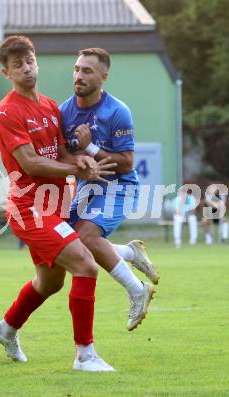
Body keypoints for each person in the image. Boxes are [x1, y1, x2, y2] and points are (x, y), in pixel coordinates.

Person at [0, 35, 117, 372]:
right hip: (29, 208)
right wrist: (77, 168)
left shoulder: (49, 106)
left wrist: (83, 160)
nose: (27, 68)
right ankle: (85, 354)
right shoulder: (6, 111)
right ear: (6, 72)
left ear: (37, 61)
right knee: (86, 265)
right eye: (18, 65)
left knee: (50, 283)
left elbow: (59, 153)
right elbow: (30, 163)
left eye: (29, 61)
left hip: (55, 205)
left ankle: (6, 329)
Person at [59, 48, 158, 332]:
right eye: (77, 69)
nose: (79, 76)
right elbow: (63, 154)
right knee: (70, 242)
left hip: (119, 186)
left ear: (103, 77)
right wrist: (80, 161)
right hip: (86, 188)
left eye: (87, 71)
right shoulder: (64, 111)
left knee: (86, 237)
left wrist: (90, 147)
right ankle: (129, 254)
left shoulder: (117, 111)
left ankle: (137, 289)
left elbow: (127, 164)